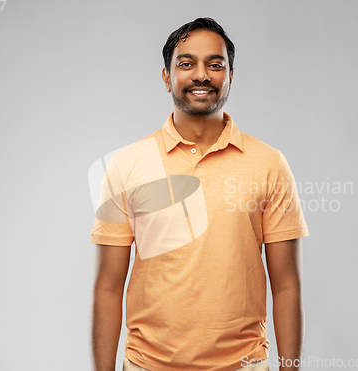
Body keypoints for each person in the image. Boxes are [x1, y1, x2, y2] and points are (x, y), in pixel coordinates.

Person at [90, 17, 309, 371]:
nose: (201, 75)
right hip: (148, 365)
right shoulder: (126, 165)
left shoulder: (269, 164)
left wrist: (289, 369)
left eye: (215, 64)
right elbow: (107, 288)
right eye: (186, 63)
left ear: (230, 77)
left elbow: (286, 285)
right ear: (167, 77)